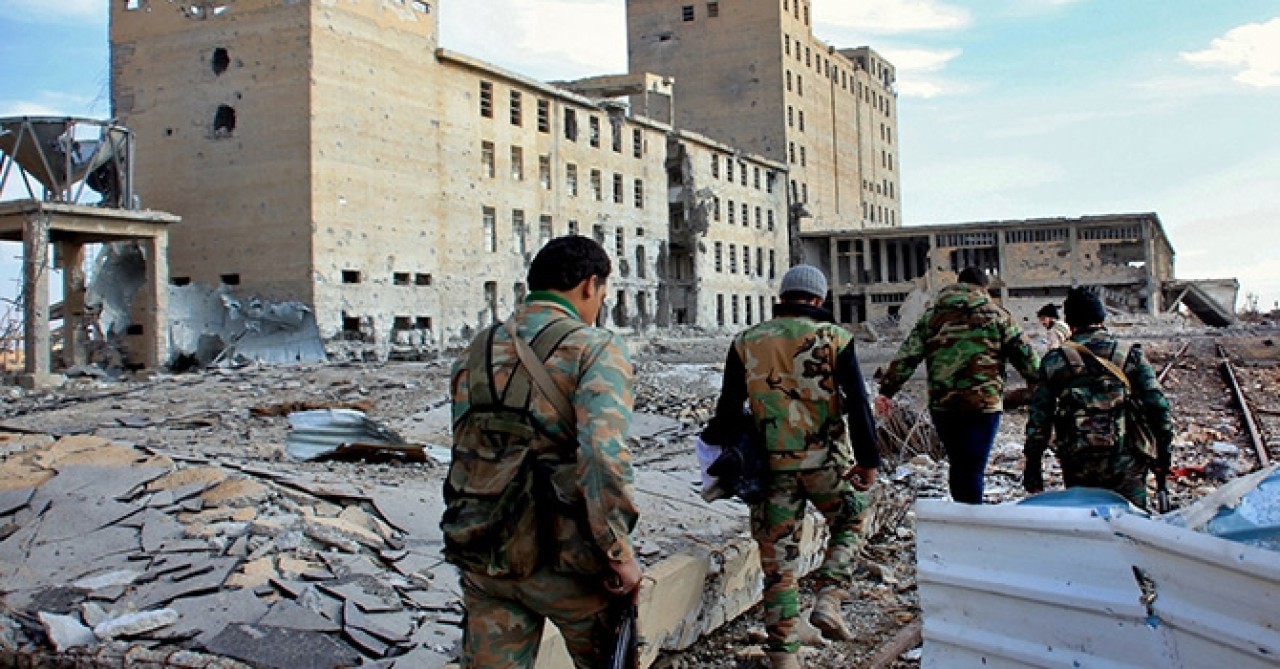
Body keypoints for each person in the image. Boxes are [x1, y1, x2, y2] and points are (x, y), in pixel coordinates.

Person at [442, 235, 641, 668]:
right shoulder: (593, 347)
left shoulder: (476, 349)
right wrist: (618, 552)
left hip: (485, 554)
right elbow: (603, 458)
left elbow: (467, 446)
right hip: (566, 564)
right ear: (590, 285)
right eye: (601, 295)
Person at [704, 264, 879, 669]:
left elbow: (728, 412)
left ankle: (784, 656)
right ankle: (830, 597)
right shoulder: (837, 338)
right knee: (852, 519)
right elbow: (859, 406)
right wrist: (868, 460)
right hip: (826, 465)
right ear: (818, 300)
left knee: (778, 563)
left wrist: (717, 448)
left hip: (768, 471)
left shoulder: (746, 341)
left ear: (783, 298)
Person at [874, 267, 1040, 504]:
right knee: (975, 466)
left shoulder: (933, 316)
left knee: (958, 463)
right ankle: (972, 519)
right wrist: (1037, 386)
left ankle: (963, 512)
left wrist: (887, 390)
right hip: (984, 403)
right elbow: (1027, 358)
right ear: (984, 288)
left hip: (945, 404)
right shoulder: (997, 315)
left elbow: (907, 355)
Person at [1023, 287, 1174, 507]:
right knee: (1132, 526)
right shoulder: (1130, 355)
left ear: (1069, 322)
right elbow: (1158, 408)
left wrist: (1033, 468)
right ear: (1102, 318)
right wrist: (1163, 458)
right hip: (1126, 461)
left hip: (1077, 461)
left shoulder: (1055, 361)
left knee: (1085, 524)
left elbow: (1039, 419)